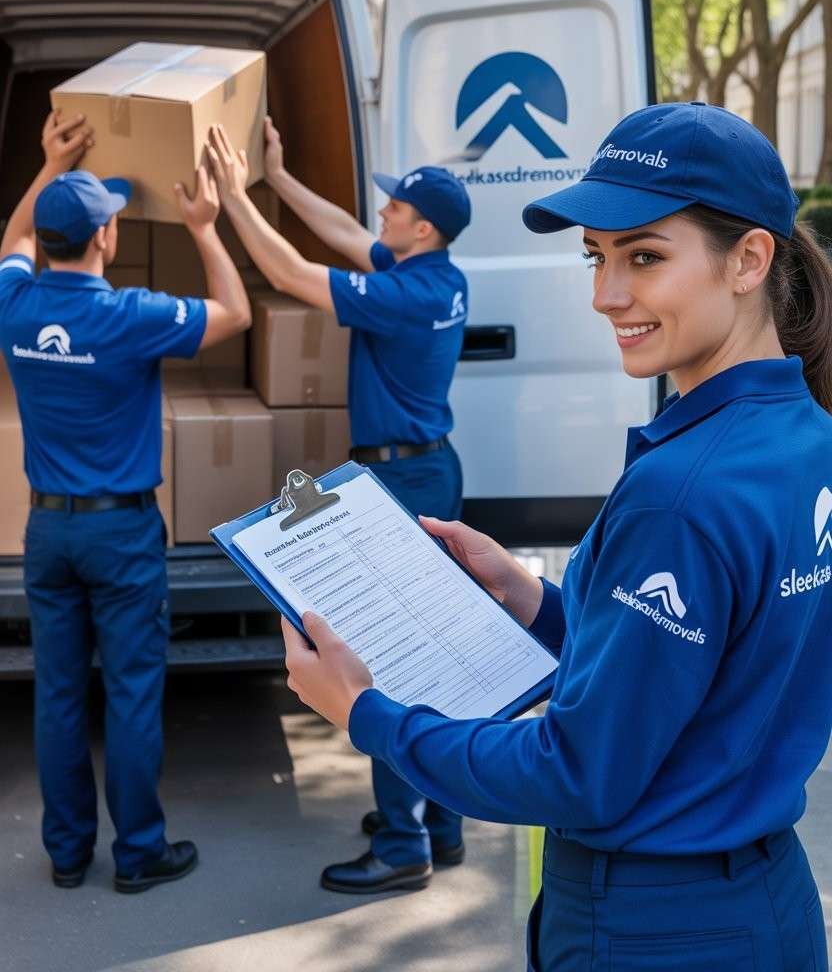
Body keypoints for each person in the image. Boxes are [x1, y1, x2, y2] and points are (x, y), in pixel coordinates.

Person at [279, 102, 832, 971]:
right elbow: (700, 670)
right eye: (597, 257)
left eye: (644, 256)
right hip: (766, 908)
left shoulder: (680, 496)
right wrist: (530, 596)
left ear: (749, 260)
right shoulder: (806, 437)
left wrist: (365, 712)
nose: (606, 295)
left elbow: (576, 771)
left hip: (652, 928)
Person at [206, 118, 472, 894]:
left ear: (422, 229)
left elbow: (291, 273)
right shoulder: (440, 277)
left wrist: (231, 199)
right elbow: (349, 234)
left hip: (405, 480)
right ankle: (441, 822)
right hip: (427, 470)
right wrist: (278, 179)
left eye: (396, 209)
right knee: (428, 650)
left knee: (387, 656)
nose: (381, 214)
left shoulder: (405, 294)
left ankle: (401, 844)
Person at [0, 111, 251, 893]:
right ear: (106, 240)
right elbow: (237, 313)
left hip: (47, 531)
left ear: (48, 243)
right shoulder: (130, 315)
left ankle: (68, 853)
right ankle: (139, 854)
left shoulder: (16, 305)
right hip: (124, 532)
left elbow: (10, 244)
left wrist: (46, 168)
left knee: (59, 694)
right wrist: (205, 228)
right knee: (134, 693)